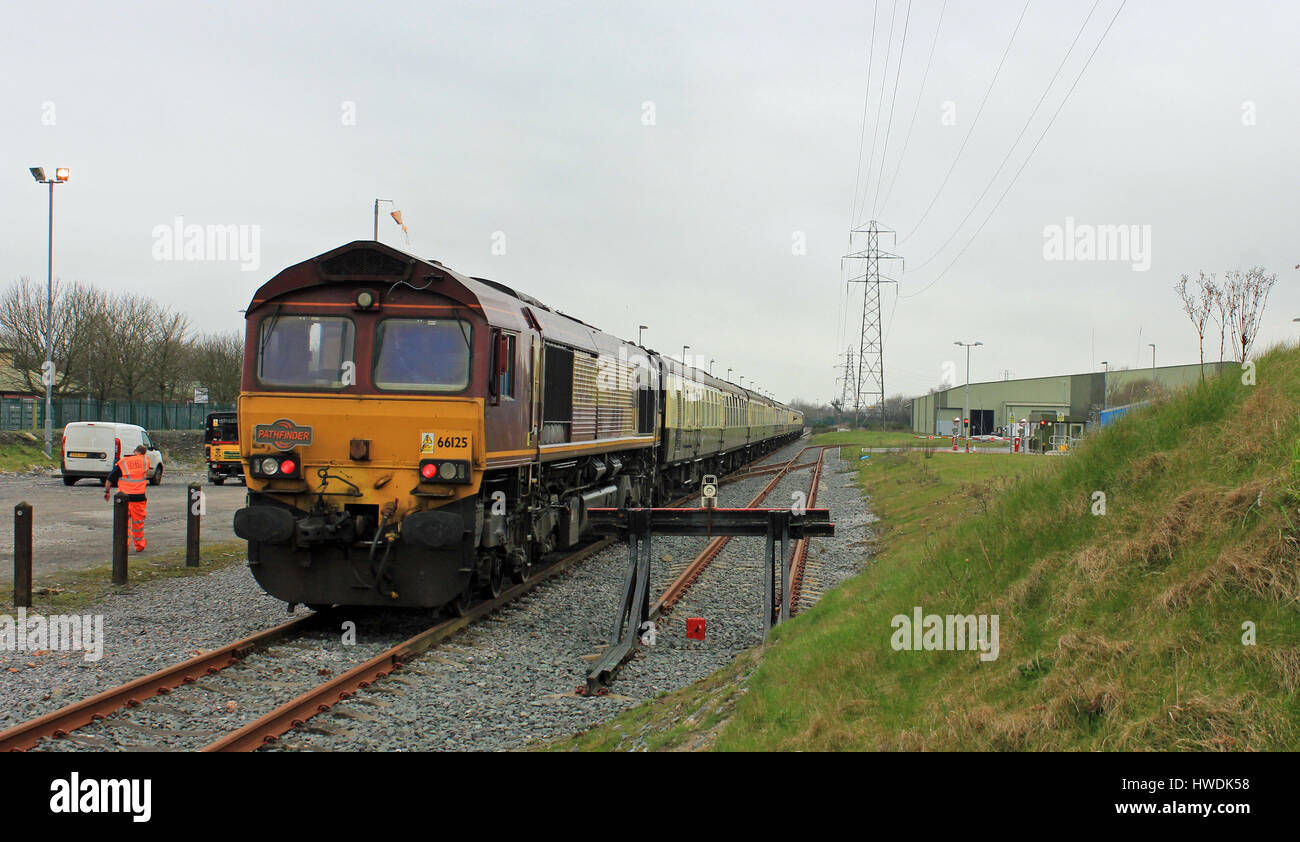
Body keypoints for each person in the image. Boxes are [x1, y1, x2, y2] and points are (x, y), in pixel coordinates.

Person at [104, 444, 150, 552]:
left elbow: (109, 479)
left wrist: (107, 492)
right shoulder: (145, 461)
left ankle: (123, 546)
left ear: (134, 451)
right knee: (138, 523)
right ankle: (139, 545)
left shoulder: (123, 462)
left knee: (123, 523)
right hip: (139, 498)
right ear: (144, 453)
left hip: (123, 498)